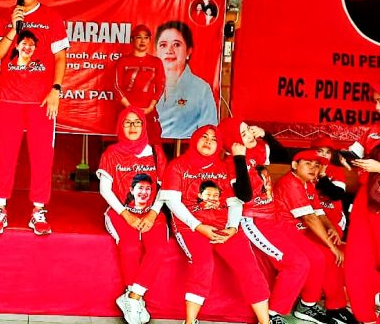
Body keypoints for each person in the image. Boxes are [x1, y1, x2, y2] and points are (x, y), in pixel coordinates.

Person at [0, 0, 69, 235]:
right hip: (9, 101)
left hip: (41, 102)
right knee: (5, 155)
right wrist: (13, 29)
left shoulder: (52, 18)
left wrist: (56, 89)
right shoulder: (3, 17)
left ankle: (38, 210)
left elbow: (60, 57)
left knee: (42, 156)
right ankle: (0, 208)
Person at [160, 125, 271, 324]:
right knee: (204, 263)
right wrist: (198, 226)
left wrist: (232, 227)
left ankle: (265, 321)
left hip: (223, 225)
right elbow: (172, 202)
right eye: (204, 137)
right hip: (190, 226)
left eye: (213, 139)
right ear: (195, 139)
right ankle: (190, 321)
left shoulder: (224, 166)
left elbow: (234, 201)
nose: (208, 141)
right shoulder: (177, 165)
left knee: (248, 266)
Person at [218, 118, 311, 324]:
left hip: (273, 215)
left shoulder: (259, 148)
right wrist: (239, 158)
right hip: (254, 219)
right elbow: (244, 195)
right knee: (297, 264)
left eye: (248, 130)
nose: (250, 135)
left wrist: (265, 134)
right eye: (243, 134)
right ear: (233, 141)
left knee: (305, 261)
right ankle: (272, 315)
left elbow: (284, 158)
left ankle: (280, 310)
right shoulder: (231, 163)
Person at [96, 106, 167, 324]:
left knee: (158, 248)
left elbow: (165, 188)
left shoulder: (155, 152)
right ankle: (135, 300)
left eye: (137, 122)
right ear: (121, 126)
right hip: (120, 212)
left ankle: (133, 297)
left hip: (152, 212)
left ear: (144, 126)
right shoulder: (111, 153)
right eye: (127, 122)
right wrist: (126, 215)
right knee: (130, 247)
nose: (133, 127)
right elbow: (105, 190)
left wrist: (152, 214)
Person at [274, 150, 356, 324]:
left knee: (330, 256)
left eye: (317, 165)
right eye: (308, 163)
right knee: (318, 257)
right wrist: (332, 246)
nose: (313, 168)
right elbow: (309, 218)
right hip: (283, 231)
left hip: (300, 232)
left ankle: (333, 306)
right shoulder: (290, 183)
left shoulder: (308, 183)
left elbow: (318, 212)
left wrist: (331, 228)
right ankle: (303, 306)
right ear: (295, 165)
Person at [343, 82, 380, 324]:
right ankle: (366, 317)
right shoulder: (373, 130)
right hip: (365, 201)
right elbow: (352, 152)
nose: (376, 107)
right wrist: (346, 160)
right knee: (357, 260)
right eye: (375, 101)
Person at [154, 21, 217, 139]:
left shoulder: (201, 88)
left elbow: (209, 131)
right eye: (163, 45)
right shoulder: (147, 84)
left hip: (186, 147)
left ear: (188, 51)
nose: (169, 50)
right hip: (150, 147)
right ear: (156, 51)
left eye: (176, 44)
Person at [113, 24, 165, 144]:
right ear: (132, 40)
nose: (142, 41)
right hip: (127, 110)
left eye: (146, 38)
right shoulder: (123, 61)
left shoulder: (156, 62)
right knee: (127, 143)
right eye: (139, 37)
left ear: (150, 40)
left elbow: (161, 86)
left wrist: (151, 107)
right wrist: (130, 107)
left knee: (152, 142)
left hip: (148, 110)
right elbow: (116, 86)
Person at [311, 135, 349, 236]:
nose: (324, 155)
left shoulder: (336, 170)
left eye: (328, 152)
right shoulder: (306, 167)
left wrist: (323, 176)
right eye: (320, 151)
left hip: (332, 217)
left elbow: (336, 195)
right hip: (311, 216)